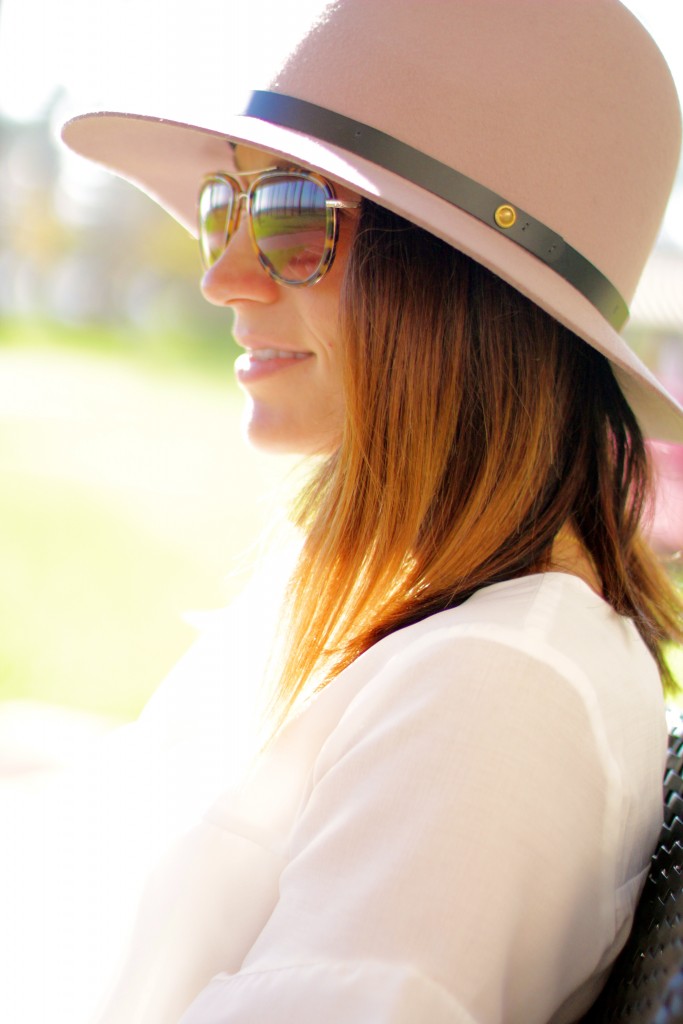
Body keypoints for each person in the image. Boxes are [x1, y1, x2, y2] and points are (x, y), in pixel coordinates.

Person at [59, 1, 683, 1021]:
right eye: (228, 206)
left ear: (464, 290)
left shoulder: (495, 693)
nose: (220, 275)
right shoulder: (412, 617)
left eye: (294, 218)